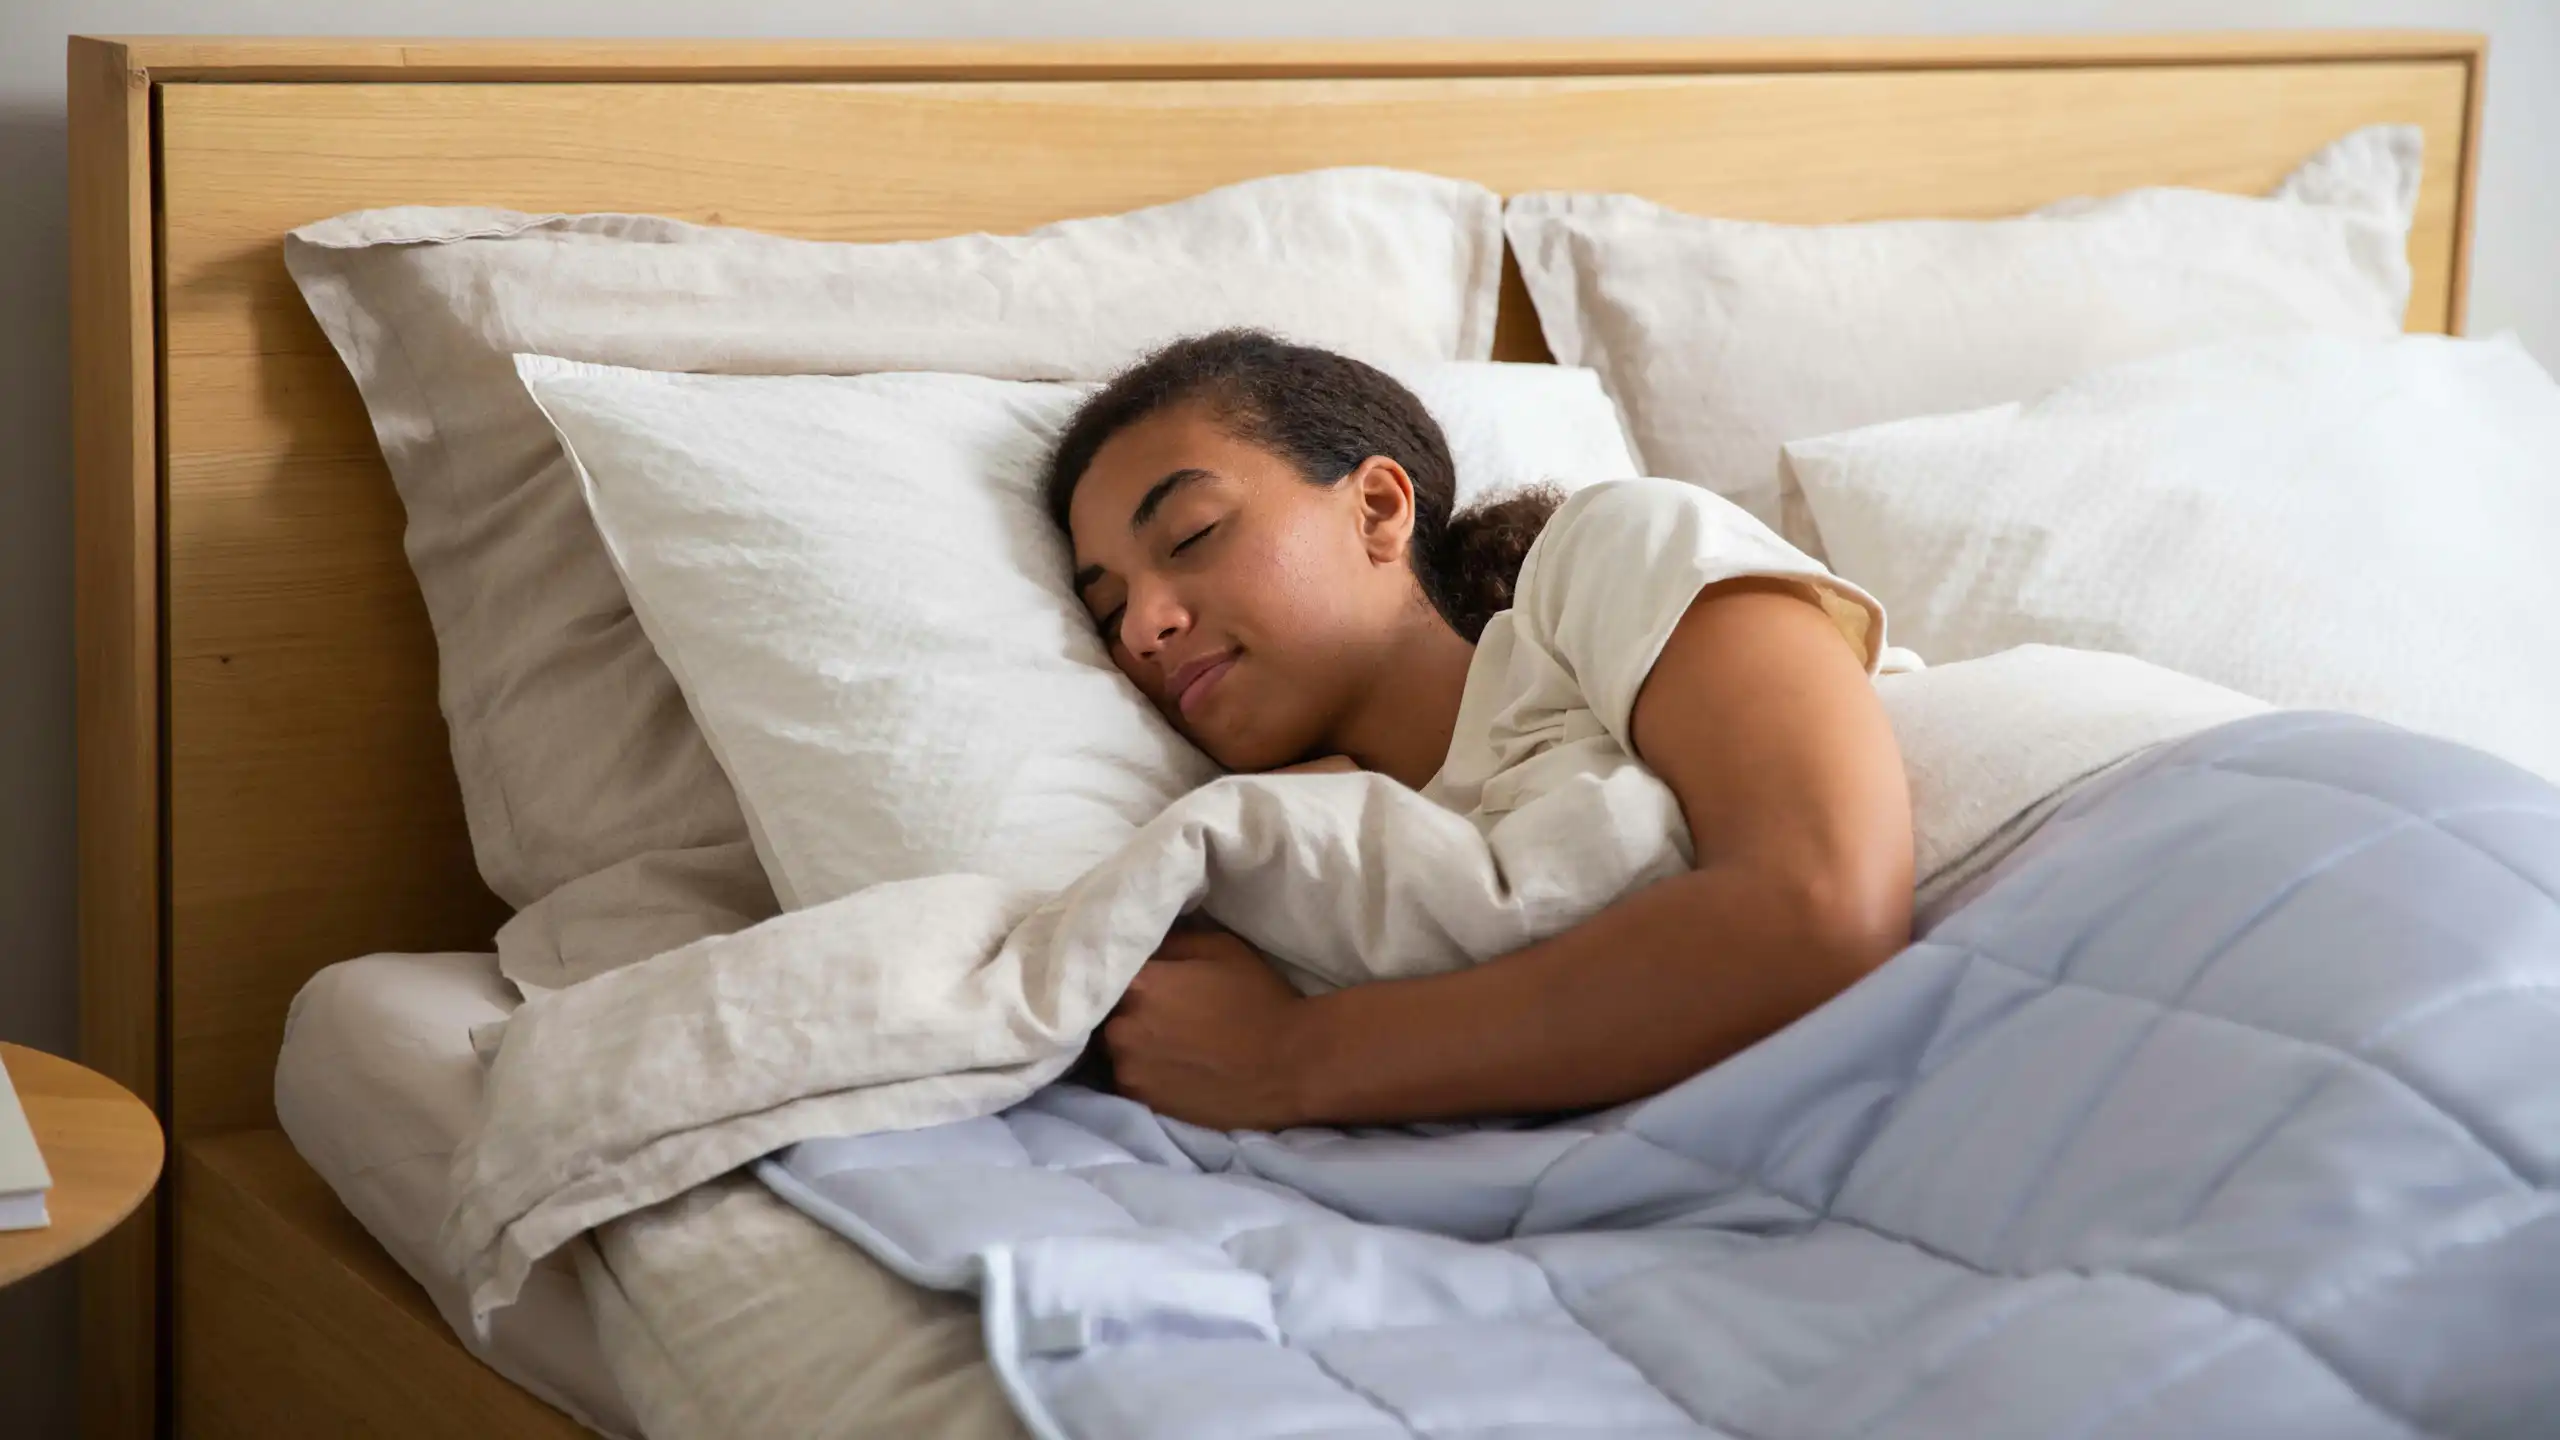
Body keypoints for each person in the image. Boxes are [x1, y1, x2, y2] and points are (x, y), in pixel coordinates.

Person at [1049, 329, 1913, 1132]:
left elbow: (1821, 903)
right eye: (1109, 608)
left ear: (1380, 508)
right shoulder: (1276, 869)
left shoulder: (1612, 556)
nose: (1141, 629)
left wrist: (1294, 1056)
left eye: (1192, 534)